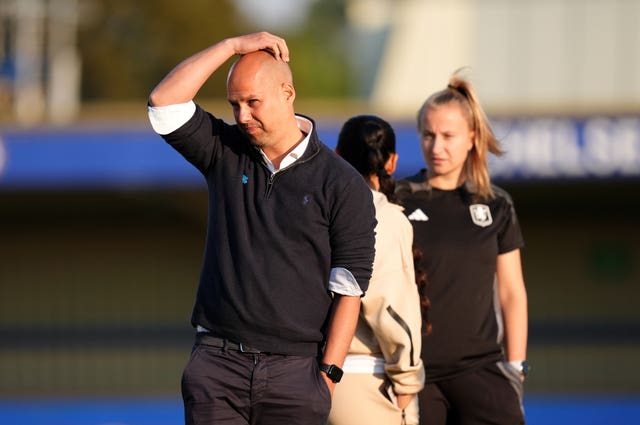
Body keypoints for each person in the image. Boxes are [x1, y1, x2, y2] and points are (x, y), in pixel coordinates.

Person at [147, 32, 377, 425]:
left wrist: (328, 378)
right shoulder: (224, 149)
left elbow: (350, 288)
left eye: (253, 102)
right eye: (235, 104)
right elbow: (163, 103)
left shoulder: (342, 182)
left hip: (297, 374)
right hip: (216, 368)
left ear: (287, 93)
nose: (242, 116)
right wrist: (231, 47)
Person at [396, 72, 529, 425]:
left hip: (481, 368)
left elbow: (512, 293)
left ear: (472, 138)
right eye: (428, 135)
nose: (436, 146)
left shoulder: (496, 204)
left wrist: (517, 367)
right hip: (415, 372)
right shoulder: (397, 199)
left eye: (447, 136)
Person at [328, 115, 426, 425]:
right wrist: (408, 381)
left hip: (305, 379)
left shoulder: (313, 206)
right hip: (364, 381)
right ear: (392, 161)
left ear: (337, 155)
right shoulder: (385, 216)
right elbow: (391, 308)